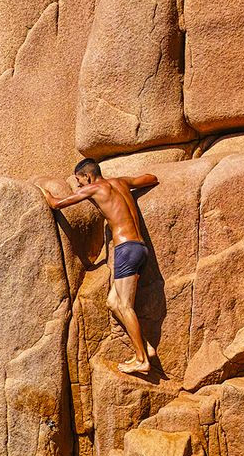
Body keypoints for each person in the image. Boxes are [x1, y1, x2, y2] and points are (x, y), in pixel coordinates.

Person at [44, 159, 159, 376]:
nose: (80, 187)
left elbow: (57, 204)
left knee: (125, 306)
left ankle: (142, 360)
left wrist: (43, 191)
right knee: (113, 303)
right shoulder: (121, 183)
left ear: (87, 176)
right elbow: (150, 178)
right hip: (140, 248)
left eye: (79, 181)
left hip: (125, 249)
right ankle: (146, 347)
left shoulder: (94, 187)